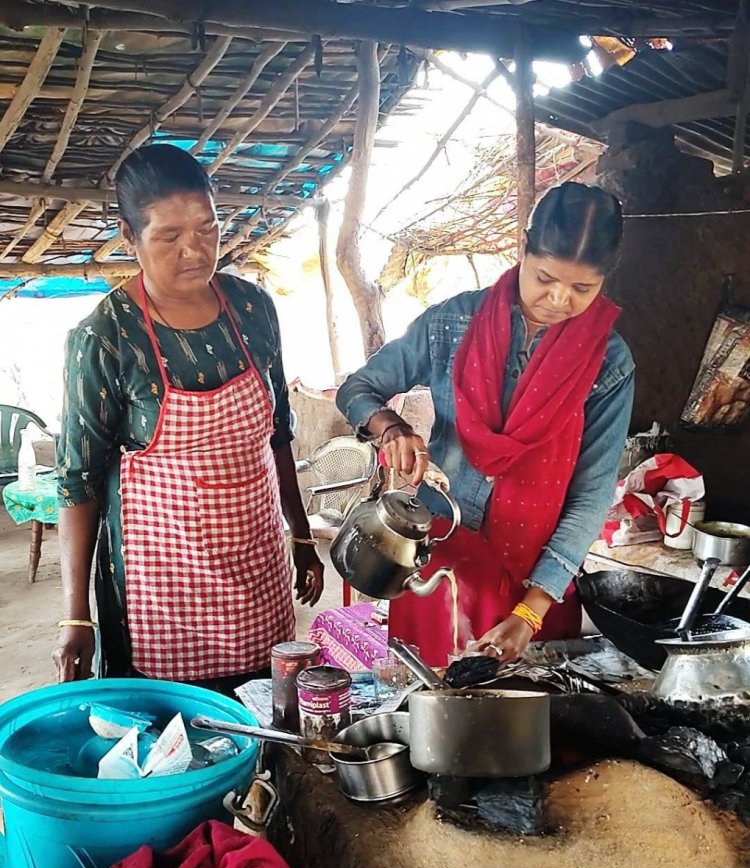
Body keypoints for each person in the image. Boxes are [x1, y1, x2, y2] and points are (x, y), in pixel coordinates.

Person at [54, 144, 324, 693]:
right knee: (174, 727)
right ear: (129, 237)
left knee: (264, 713)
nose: (194, 251)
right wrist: (75, 616)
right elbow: (78, 483)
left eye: (207, 228)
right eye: (169, 236)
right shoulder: (105, 337)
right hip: (162, 587)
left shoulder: (253, 309)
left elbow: (277, 433)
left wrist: (300, 535)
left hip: (257, 563)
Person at [336, 183, 634, 667]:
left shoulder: (608, 364)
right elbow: (358, 388)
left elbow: (591, 495)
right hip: (440, 562)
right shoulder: (452, 324)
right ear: (524, 247)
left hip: (536, 581)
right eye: (545, 277)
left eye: (583, 288)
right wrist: (390, 427)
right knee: (427, 698)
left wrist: (530, 613)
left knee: (525, 704)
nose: (559, 299)